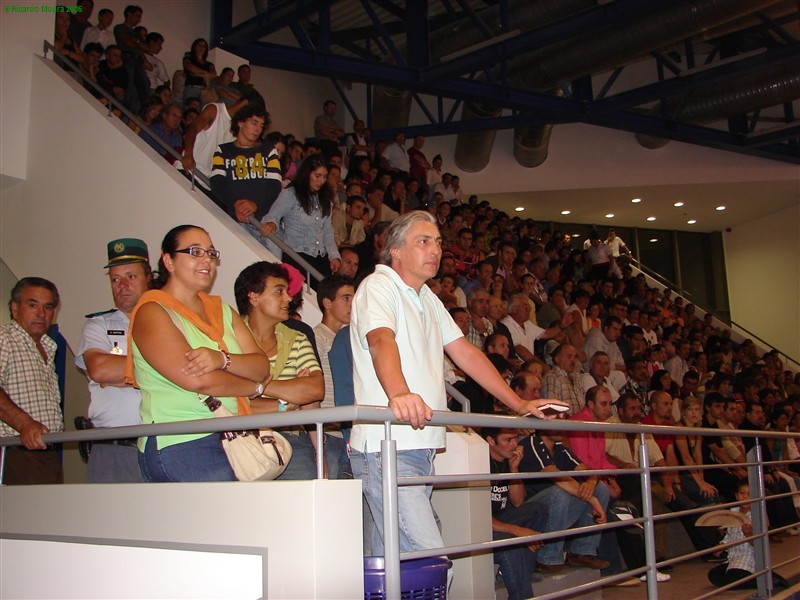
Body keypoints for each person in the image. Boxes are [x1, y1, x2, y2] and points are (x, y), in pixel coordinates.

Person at [348, 210, 566, 555]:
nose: (435, 249)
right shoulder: (379, 287)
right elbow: (380, 340)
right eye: (423, 241)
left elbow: (465, 352)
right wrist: (400, 392)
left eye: (437, 242)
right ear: (396, 250)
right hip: (387, 444)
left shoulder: (426, 297)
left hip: (417, 445)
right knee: (429, 556)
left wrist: (518, 403)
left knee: (389, 564)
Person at [127, 225, 270, 482]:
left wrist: (221, 359)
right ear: (169, 260)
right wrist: (252, 387)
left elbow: (261, 366)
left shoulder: (222, 309)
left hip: (232, 433)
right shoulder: (153, 310)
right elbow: (197, 380)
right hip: (182, 440)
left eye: (211, 253)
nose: (207, 260)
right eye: (195, 252)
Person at [234, 261, 324, 480]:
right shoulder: (228, 338)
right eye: (279, 291)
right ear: (254, 297)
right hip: (236, 441)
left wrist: (257, 387)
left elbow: (314, 389)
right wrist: (288, 402)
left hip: (289, 441)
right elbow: (230, 403)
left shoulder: (296, 338)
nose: (289, 298)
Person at [76, 238, 151, 483]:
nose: (122, 285)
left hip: (161, 444)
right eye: (115, 279)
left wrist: (123, 376)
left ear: (148, 277)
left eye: (131, 276)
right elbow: (100, 370)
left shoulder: (169, 323)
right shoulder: (99, 325)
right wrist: (160, 372)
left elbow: (186, 373)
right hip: (113, 447)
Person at [0, 277, 64, 485]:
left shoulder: (48, 346)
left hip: (46, 456)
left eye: (47, 307)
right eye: (33, 305)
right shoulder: (4, 339)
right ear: (15, 308)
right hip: (14, 454)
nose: (41, 314)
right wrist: (25, 425)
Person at [483, 427, 548, 600]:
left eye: (515, 439)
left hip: (499, 520)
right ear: (491, 440)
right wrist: (518, 532)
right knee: (511, 543)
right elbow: (479, 518)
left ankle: (522, 572)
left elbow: (518, 502)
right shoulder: (478, 462)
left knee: (538, 510)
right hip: (479, 528)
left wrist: (514, 470)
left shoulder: (508, 460)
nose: (514, 445)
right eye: (507, 440)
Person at [261, 155, 342, 283]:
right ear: (307, 173)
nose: (321, 181)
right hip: (296, 255)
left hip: (320, 257)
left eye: (324, 177)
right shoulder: (290, 194)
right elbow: (273, 215)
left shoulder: (325, 199)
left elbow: (327, 231)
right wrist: (271, 223)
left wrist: (334, 256)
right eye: (317, 175)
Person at [210, 103, 281, 248]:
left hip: (264, 223)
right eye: (254, 123)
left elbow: (274, 187)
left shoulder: (269, 151)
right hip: (235, 220)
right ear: (240, 122)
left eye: (261, 126)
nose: (258, 129)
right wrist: (235, 203)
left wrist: (256, 204)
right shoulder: (223, 151)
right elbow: (217, 183)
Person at [313, 275, 355, 479]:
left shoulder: (351, 339)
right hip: (326, 433)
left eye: (354, 299)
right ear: (327, 303)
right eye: (346, 298)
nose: (352, 304)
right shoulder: (315, 337)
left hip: (348, 432)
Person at [182, 38, 216, 104]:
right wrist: (205, 73)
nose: (202, 48)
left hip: (205, 90)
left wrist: (198, 74)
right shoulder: (189, 58)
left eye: (204, 46)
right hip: (192, 87)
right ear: (195, 47)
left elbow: (214, 74)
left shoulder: (209, 64)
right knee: (190, 110)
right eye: (199, 45)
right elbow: (190, 67)